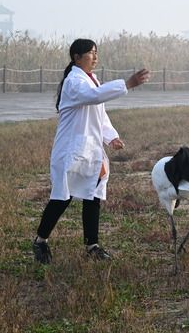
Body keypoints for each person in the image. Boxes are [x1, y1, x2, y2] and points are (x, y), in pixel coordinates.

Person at [32, 38, 149, 264]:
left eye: (96, 53)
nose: (95, 58)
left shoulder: (92, 79)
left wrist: (111, 136)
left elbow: (99, 112)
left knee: (92, 196)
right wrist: (127, 84)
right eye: (91, 53)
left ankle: (92, 245)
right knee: (61, 198)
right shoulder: (74, 81)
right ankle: (40, 241)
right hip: (70, 150)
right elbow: (93, 97)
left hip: (89, 149)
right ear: (77, 57)